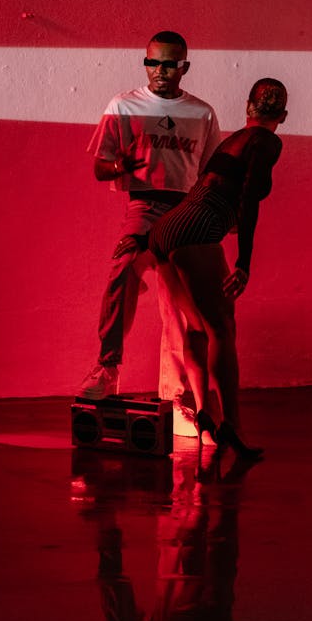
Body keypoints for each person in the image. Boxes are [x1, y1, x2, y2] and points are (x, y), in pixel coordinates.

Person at [144, 78, 287, 460]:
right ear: (282, 116)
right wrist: (244, 260)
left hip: (168, 229)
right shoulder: (267, 142)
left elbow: (210, 187)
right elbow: (249, 200)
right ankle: (231, 427)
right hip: (196, 229)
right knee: (222, 327)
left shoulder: (233, 139)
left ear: (247, 108)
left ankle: (205, 410)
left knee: (197, 327)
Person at [79, 31, 222, 399]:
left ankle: (178, 394)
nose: (160, 70)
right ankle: (107, 368)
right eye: (153, 62)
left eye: (169, 63)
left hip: (185, 209)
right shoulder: (123, 106)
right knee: (122, 268)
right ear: (145, 63)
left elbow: (210, 174)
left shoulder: (201, 112)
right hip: (145, 204)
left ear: (183, 67)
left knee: (181, 302)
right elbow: (99, 168)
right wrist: (117, 166)